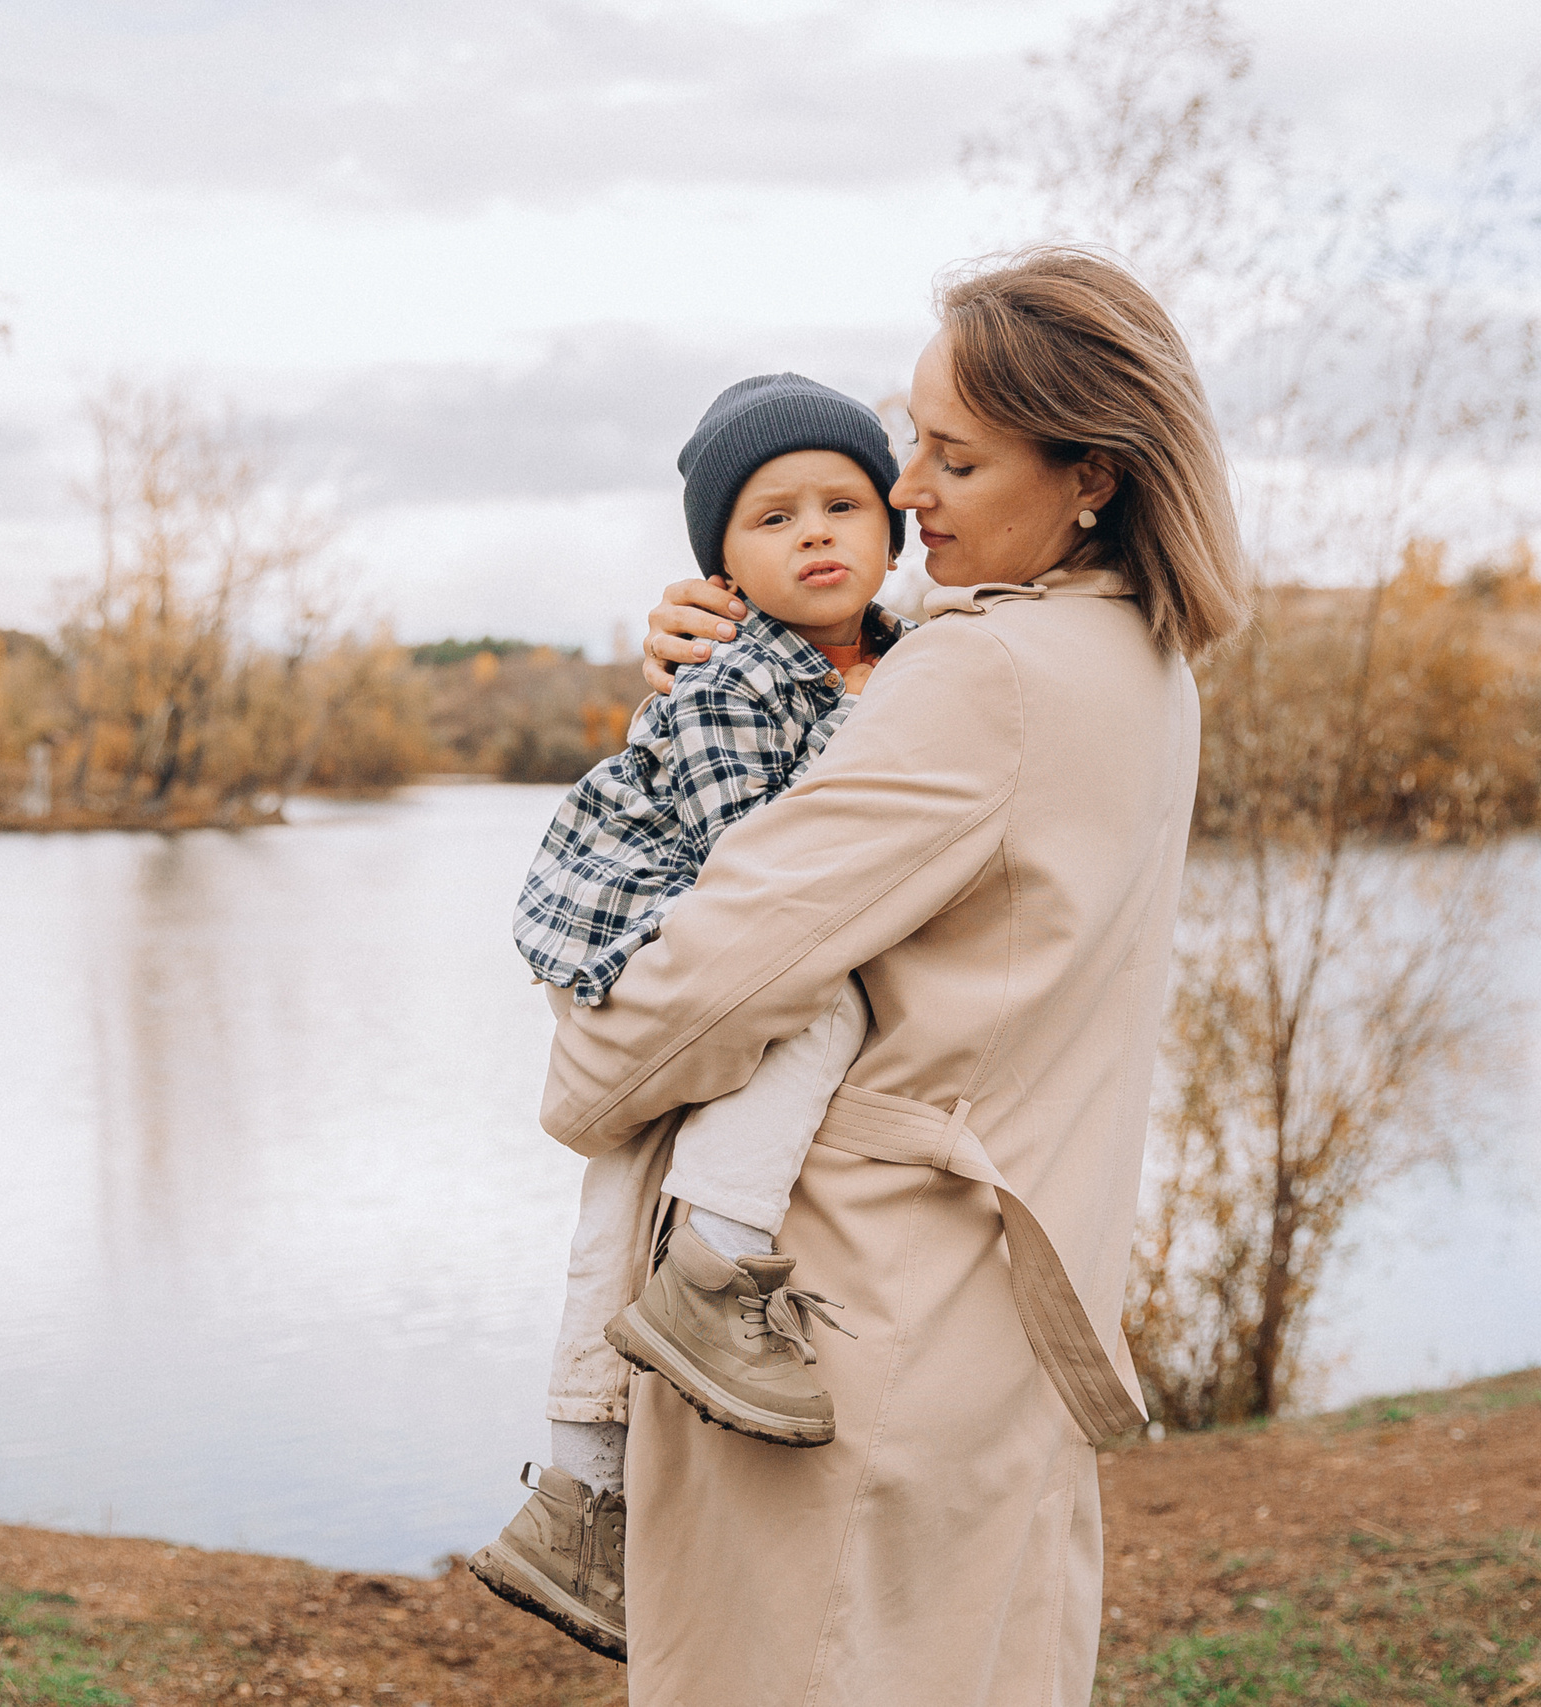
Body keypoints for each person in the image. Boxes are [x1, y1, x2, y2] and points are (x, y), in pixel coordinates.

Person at [542, 247, 1251, 1705]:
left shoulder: (976, 678)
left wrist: (582, 1080)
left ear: (1092, 476)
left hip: (837, 1328)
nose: (906, 485)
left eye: (954, 454)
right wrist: (729, 674)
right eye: (912, 437)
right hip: (988, 1331)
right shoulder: (1135, 659)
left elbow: (720, 968)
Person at [470, 373, 915, 1663]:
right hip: (628, 913)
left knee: (624, 1173)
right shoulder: (736, 676)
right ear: (719, 567)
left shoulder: (906, 650)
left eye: (844, 503)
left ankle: (576, 1491)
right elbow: (758, 876)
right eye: (773, 520)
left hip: (685, 922)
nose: (818, 533)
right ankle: (713, 1274)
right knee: (814, 1012)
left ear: (893, 524)